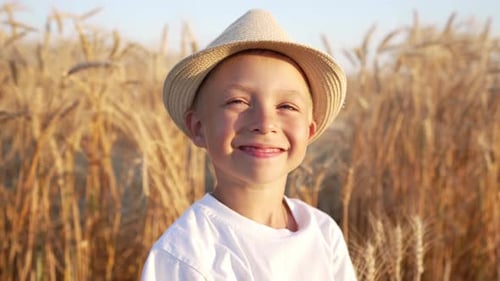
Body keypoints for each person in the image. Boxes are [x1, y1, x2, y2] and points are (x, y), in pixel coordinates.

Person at [141, 9, 357, 280]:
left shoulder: (324, 233)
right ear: (198, 128)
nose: (265, 123)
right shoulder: (186, 255)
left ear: (309, 132)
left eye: (287, 106)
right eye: (238, 102)